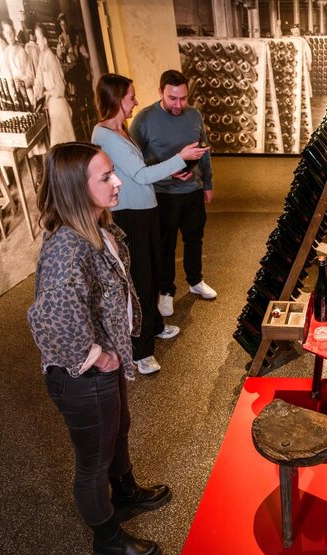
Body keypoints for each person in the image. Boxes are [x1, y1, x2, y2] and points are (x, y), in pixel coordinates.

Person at [27, 142, 172, 555]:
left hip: (103, 366)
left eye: (114, 173)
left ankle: (124, 493)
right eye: (106, 177)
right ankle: (107, 539)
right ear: (76, 188)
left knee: (118, 428)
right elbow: (46, 318)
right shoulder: (66, 250)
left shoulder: (99, 228)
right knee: (93, 459)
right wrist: (95, 356)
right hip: (83, 377)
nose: (118, 182)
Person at [92, 73, 209, 375]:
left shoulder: (121, 130)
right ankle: (141, 351)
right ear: (118, 99)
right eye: (131, 96)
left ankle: (155, 325)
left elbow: (139, 172)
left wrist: (177, 169)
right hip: (130, 213)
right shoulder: (105, 135)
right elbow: (142, 175)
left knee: (154, 270)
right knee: (140, 280)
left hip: (146, 209)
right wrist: (180, 158)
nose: (136, 101)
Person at [131, 69, 217, 318]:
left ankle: (195, 281)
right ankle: (166, 291)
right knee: (165, 247)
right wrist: (169, 173)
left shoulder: (194, 114)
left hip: (192, 191)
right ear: (160, 92)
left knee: (194, 240)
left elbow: (204, 149)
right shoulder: (144, 120)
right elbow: (135, 164)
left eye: (183, 98)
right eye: (172, 98)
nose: (179, 104)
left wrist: (208, 183)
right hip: (163, 195)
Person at [33, 25, 76, 145]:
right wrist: (35, 93)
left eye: (38, 38)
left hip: (59, 104)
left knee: (63, 145)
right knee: (60, 147)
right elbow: (39, 79)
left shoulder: (52, 59)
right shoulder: (42, 56)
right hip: (52, 104)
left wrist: (47, 92)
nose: (36, 41)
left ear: (45, 40)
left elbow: (60, 89)